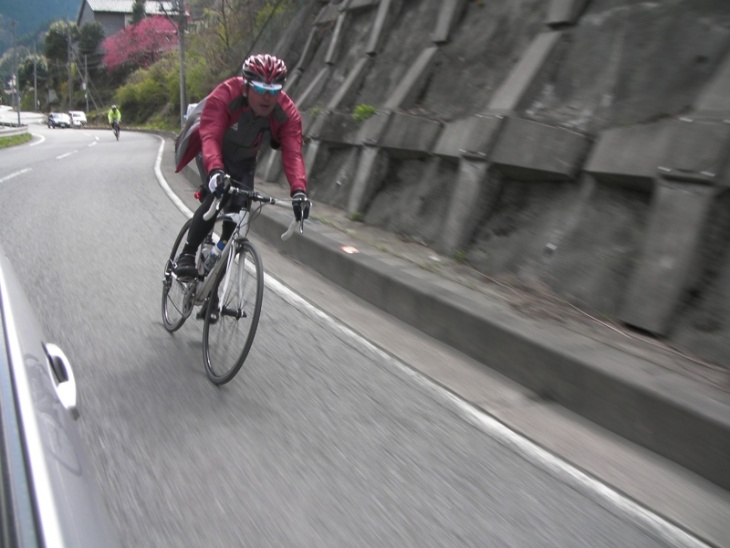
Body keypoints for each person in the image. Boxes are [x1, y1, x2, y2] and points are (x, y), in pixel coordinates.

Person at [172, 53, 309, 286]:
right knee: (219, 196)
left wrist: (299, 192)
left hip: (245, 161)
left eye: (274, 90)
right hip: (211, 151)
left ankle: (213, 290)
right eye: (260, 89)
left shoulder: (286, 112)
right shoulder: (225, 95)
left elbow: (293, 153)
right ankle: (187, 254)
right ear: (246, 86)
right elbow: (211, 135)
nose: (267, 97)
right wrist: (215, 171)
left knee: (236, 225)